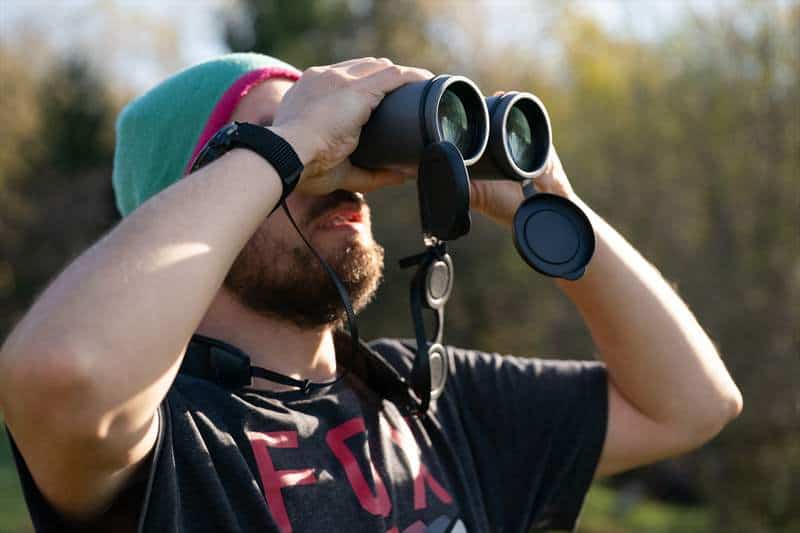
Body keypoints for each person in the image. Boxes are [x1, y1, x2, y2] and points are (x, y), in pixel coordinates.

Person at [0, 53, 742, 533]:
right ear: (193, 199)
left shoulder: (435, 400)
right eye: (279, 139)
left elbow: (692, 403)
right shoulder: (167, 437)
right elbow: (62, 373)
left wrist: (547, 202)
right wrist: (290, 146)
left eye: (346, 140)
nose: (336, 168)